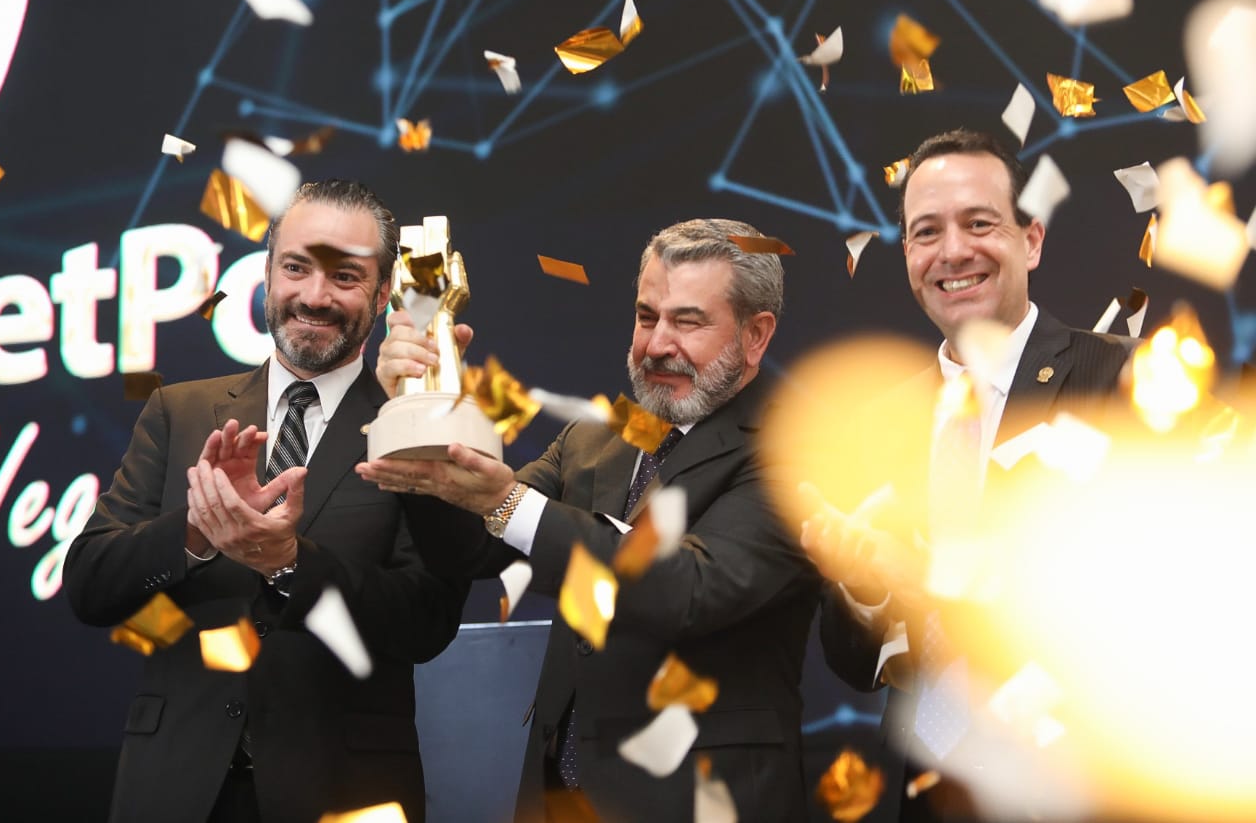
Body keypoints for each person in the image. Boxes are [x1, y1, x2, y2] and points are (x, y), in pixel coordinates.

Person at [358, 220, 823, 823]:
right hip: (560, 794)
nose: (657, 344)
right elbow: (472, 549)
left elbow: (690, 589)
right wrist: (424, 422)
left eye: (687, 322)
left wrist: (505, 502)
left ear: (755, 335)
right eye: (646, 316)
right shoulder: (597, 438)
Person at [64, 180, 469, 823]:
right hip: (173, 786)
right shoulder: (178, 410)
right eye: (296, 268)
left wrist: (290, 562)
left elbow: (428, 622)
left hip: (344, 791)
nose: (314, 296)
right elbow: (90, 586)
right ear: (267, 274)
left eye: (345, 276)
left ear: (384, 293)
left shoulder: (414, 423)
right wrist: (198, 531)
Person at [810, 129, 1131, 822]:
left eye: (979, 223)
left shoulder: (1122, 380)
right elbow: (852, 664)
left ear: (1031, 241)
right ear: (907, 255)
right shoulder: (880, 422)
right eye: (927, 232)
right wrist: (863, 588)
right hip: (928, 792)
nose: (953, 251)